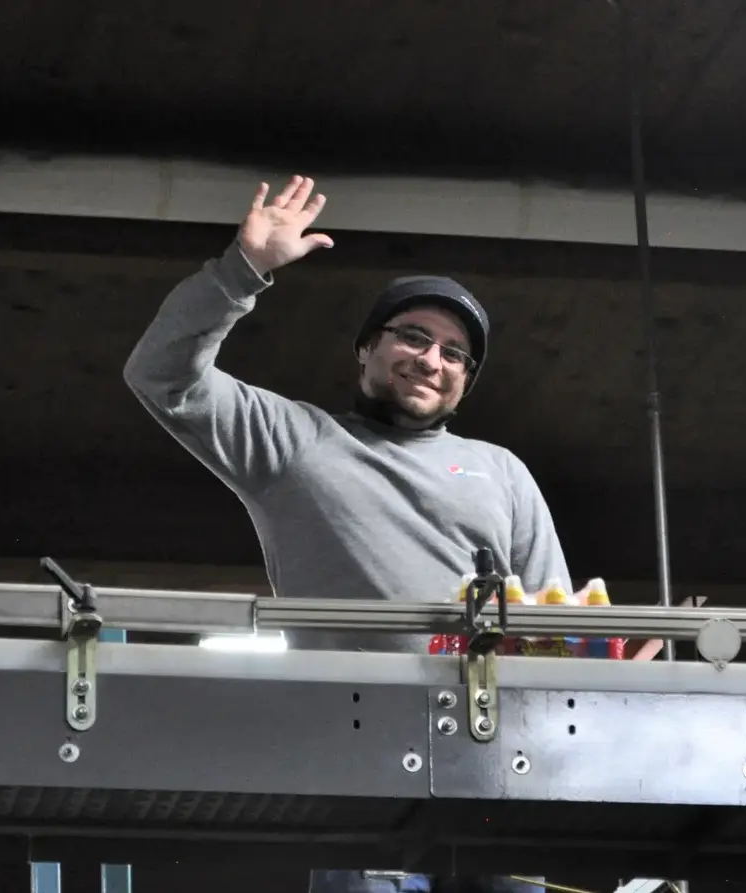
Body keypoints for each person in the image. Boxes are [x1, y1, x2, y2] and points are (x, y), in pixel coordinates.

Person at [123, 175, 562, 893]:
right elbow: (161, 375)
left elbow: (554, 620)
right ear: (365, 350)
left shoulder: (500, 471)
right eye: (414, 336)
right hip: (361, 750)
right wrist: (243, 270)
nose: (432, 359)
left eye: (455, 353)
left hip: (494, 758)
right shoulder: (296, 441)